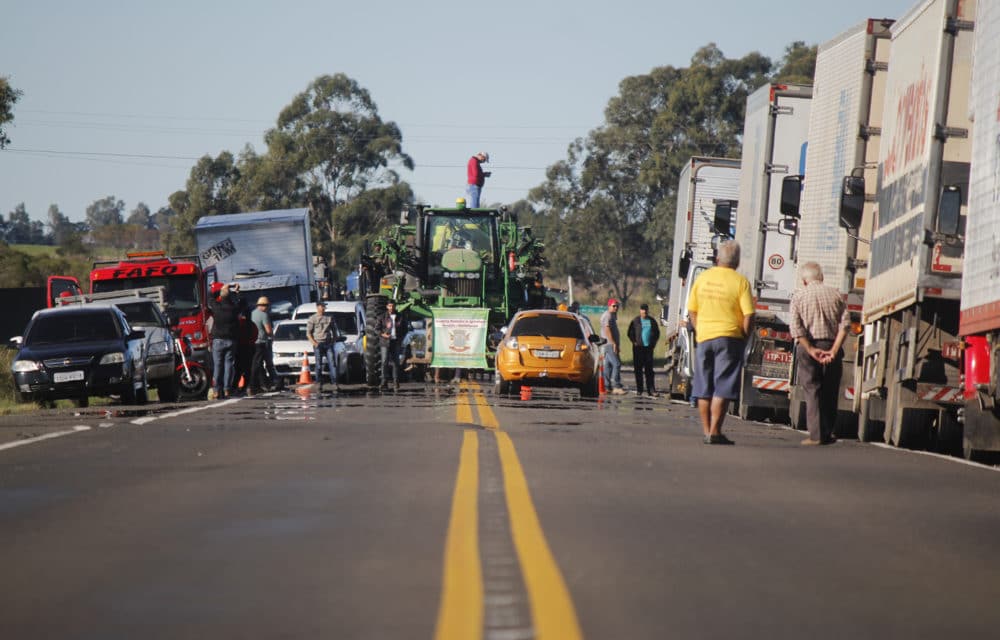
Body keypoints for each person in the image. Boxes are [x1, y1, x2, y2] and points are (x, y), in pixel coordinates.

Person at [687, 240, 754, 444]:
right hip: (729, 337)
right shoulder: (740, 282)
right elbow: (749, 314)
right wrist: (744, 335)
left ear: (717, 259)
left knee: (703, 386)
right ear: (737, 261)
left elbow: (692, 310)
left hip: (704, 337)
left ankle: (707, 431)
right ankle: (715, 431)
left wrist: (700, 329)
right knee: (722, 386)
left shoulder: (703, 278)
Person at [789, 261, 850, 446]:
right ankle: (827, 432)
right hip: (831, 345)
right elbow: (845, 325)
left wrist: (810, 349)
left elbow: (797, 329)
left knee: (812, 388)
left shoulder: (799, 297)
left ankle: (816, 435)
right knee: (830, 390)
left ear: (805, 281)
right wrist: (834, 350)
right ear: (821, 277)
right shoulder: (836, 294)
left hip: (808, 347)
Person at [209, 283, 240, 399]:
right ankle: (227, 389)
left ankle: (217, 390)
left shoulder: (217, 307)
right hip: (231, 339)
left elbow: (210, 297)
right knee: (229, 364)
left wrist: (221, 288)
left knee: (218, 365)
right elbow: (241, 303)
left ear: (220, 297)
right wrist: (236, 292)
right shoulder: (234, 308)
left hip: (218, 339)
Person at [250, 296, 283, 395]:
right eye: (267, 306)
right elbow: (268, 330)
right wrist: (272, 337)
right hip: (262, 342)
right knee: (268, 363)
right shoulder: (264, 315)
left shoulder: (252, 314)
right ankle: (274, 382)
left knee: (258, 364)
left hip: (253, 342)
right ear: (265, 306)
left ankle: (263, 384)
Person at [627, 303, 661, 397]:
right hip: (638, 349)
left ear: (647, 310)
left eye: (646, 309)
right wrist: (634, 342)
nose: (644, 311)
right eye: (642, 309)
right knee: (638, 370)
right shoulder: (636, 320)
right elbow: (630, 333)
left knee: (649, 370)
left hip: (648, 349)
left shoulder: (652, 321)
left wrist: (653, 343)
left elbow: (657, 333)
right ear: (640, 310)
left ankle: (651, 390)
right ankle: (639, 389)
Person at [306, 301, 339, 390]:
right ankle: (319, 383)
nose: (324, 308)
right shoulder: (312, 318)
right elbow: (308, 333)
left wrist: (333, 340)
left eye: (325, 306)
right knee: (319, 364)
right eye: (322, 306)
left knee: (332, 363)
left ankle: (335, 383)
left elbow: (334, 330)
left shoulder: (329, 317)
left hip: (328, 343)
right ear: (318, 307)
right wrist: (314, 343)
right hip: (318, 343)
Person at [600, 298, 628, 395]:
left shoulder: (612, 315)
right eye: (614, 306)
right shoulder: (607, 316)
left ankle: (607, 386)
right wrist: (614, 343)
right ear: (609, 306)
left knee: (608, 365)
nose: (616, 307)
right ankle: (617, 386)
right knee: (617, 364)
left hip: (609, 344)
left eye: (617, 306)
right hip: (609, 344)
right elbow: (607, 330)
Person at [379, 299, 406, 391]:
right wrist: (383, 334)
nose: (391, 308)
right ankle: (384, 382)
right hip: (385, 342)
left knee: (396, 362)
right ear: (387, 307)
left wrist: (401, 338)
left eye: (393, 306)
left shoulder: (400, 316)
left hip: (396, 342)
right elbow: (376, 329)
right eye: (389, 306)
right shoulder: (383, 317)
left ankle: (395, 382)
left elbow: (405, 329)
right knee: (384, 361)